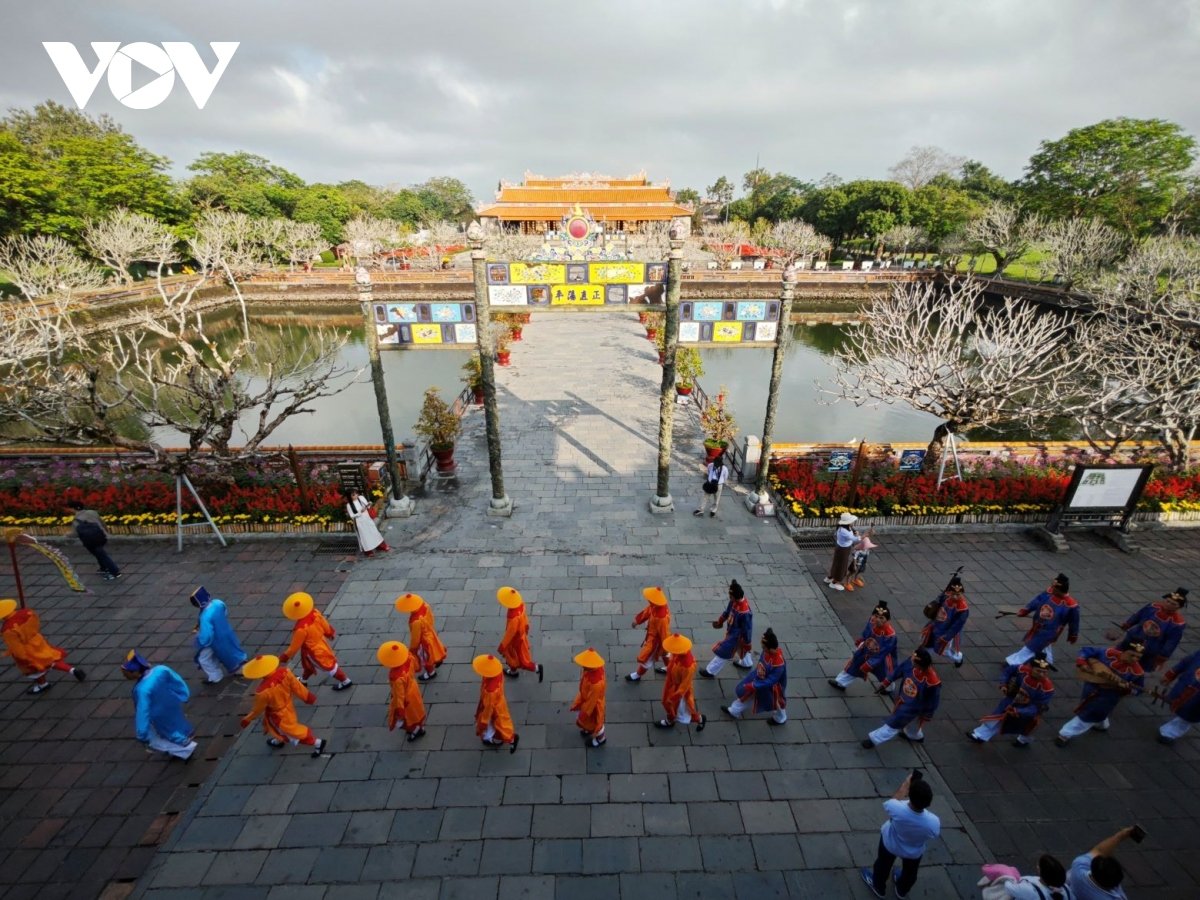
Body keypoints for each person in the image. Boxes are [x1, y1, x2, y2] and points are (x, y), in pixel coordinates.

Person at [861, 772, 940, 900]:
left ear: (909, 794)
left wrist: (906, 784)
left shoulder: (896, 808)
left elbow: (892, 801)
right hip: (914, 852)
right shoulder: (933, 822)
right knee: (910, 872)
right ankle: (901, 890)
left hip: (889, 844)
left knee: (882, 866)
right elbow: (934, 834)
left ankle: (878, 887)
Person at [1056, 643, 1145, 746]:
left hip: (1109, 695)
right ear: (1123, 651)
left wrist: (1128, 689)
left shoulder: (1137, 672)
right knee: (1094, 710)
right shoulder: (1108, 653)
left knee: (1089, 714)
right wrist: (1082, 663)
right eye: (1132, 655)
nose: (1134, 659)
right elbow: (1086, 650)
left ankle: (1065, 734)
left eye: (1138, 657)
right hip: (1092, 687)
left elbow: (1139, 690)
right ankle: (1101, 724)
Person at [240, 654, 327, 757]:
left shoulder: (262, 691)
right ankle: (278, 740)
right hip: (288, 705)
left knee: (292, 734)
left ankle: (317, 743)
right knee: (285, 729)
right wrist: (307, 697)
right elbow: (297, 686)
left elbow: (257, 709)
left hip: (278, 716)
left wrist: (248, 718)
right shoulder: (285, 672)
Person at [968, 652, 1056, 747]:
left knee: (1026, 727)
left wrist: (1019, 711)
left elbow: (1038, 706)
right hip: (1012, 700)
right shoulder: (1022, 670)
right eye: (1038, 671)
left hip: (1027, 709)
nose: (1041, 674)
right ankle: (980, 735)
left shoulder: (1047, 688)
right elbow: (1008, 671)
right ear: (1031, 668)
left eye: (1044, 672)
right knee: (998, 717)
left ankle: (1023, 741)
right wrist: (1003, 683)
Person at [121, 651, 196, 761]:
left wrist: (141, 734)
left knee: (162, 734)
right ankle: (184, 739)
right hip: (171, 703)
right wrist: (182, 694)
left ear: (135, 672)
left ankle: (185, 747)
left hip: (157, 714)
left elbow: (143, 711)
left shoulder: (142, 690)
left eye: (126, 672)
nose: (124, 675)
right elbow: (176, 680)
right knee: (176, 722)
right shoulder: (161, 669)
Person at [0, 598, 85, 694]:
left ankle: (43, 685)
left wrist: (22, 659)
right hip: (37, 641)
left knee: (35, 669)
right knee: (49, 659)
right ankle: (72, 670)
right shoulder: (27, 612)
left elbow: (16, 648)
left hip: (27, 649)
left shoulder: (7, 630)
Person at [862, 648, 941, 748]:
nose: (911, 662)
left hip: (914, 707)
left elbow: (933, 701)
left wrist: (927, 714)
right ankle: (914, 735)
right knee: (913, 724)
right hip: (904, 699)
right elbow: (899, 670)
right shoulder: (911, 662)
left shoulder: (932, 682)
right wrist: (886, 682)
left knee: (894, 723)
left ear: (921, 665)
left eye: (914, 662)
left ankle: (874, 739)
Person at [278, 592, 352, 691]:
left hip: (313, 651)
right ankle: (303, 680)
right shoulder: (315, 612)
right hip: (321, 642)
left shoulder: (300, 629)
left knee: (329, 666)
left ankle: (345, 681)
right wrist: (329, 633)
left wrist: (283, 657)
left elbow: (293, 648)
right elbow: (324, 624)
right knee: (308, 666)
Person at [1006, 574, 1080, 666]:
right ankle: (1047, 661)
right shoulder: (1049, 593)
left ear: (1058, 589)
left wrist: (1073, 634)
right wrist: (1026, 610)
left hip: (1050, 631)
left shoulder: (1071, 605)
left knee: (1031, 646)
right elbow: (1037, 600)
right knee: (1043, 645)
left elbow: (1074, 622)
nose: (1051, 589)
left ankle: (1012, 663)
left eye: (1054, 588)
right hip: (1037, 625)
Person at [722, 628, 787, 724]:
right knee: (748, 695)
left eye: (764, 647)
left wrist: (755, 685)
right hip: (759, 680)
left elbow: (771, 681)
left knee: (777, 703)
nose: (763, 649)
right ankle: (734, 710)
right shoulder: (767, 652)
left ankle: (781, 718)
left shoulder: (778, 663)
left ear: (771, 648)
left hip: (771, 688)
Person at [1114, 587, 1187, 672]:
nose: (1169, 604)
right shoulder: (1152, 607)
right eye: (1168, 601)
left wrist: (1162, 656)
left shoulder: (1177, 623)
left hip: (1150, 648)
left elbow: (1172, 642)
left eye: (1173, 604)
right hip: (1133, 637)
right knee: (1119, 655)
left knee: (1139, 667)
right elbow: (1138, 615)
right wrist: (1128, 624)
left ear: (1179, 607)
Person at [829, 602, 898, 691]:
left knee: (883, 674)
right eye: (876, 616)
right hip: (866, 650)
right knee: (854, 665)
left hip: (881, 658)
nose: (877, 619)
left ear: (887, 620)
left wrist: (870, 664)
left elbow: (883, 653)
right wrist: (862, 640)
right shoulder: (872, 621)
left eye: (881, 618)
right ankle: (841, 682)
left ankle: (888, 688)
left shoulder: (890, 635)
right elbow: (867, 632)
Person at [190, 586, 247, 685]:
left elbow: (206, 636)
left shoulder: (205, 616)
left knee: (203, 658)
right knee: (232, 650)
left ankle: (215, 676)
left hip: (215, 641)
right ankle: (240, 666)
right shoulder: (217, 603)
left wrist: (199, 639)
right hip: (226, 631)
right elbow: (225, 612)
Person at [700, 579, 753, 678]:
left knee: (723, 652)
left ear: (735, 597)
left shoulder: (745, 613)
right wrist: (720, 621)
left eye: (730, 596)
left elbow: (747, 629)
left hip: (736, 636)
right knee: (742, 650)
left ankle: (710, 671)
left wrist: (747, 642)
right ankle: (747, 663)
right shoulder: (734, 601)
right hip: (732, 632)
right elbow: (727, 612)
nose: (729, 597)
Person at [1067, 826, 1136, 899]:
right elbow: (1100, 851)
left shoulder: (1078, 867)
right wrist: (1121, 836)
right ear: (1114, 885)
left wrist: (1121, 835)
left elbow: (1099, 851)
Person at [378, 640, 426, 743]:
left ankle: (415, 730)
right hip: (413, 688)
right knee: (416, 711)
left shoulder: (396, 677)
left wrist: (400, 709)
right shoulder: (408, 656)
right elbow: (417, 667)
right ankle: (420, 727)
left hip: (406, 698)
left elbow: (399, 695)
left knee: (406, 718)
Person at [656, 633, 706, 731]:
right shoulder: (678, 654)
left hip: (679, 691)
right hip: (671, 684)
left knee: (681, 713)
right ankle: (670, 720)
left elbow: (685, 685)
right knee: (667, 703)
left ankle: (699, 719)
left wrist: (675, 697)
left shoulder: (688, 666)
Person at [920, 573, 970, 667]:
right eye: (953, 594)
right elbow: (939, 599)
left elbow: (957, 626)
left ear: (962, 594)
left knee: (943, 650)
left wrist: (946, 637)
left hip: (947, 631)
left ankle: (958, 658)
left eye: (958, 594)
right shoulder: (947, 596)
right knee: (927, 642)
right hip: (936, 624)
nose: (955, 597)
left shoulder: (963, 609)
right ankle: (924, 658)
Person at [395, 593, 448, 681]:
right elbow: (431, 619)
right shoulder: (425, 605)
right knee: (435, 648)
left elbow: (416, 637)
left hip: (424, 641)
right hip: (430, 632)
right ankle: (438, 659)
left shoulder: (415, 621)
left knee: (425, 657)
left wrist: (413, 648)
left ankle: (431, 673)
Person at [473, 653, 520, 753]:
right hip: (499, 703)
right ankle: (509, 739)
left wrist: (483, 722)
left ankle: (505, 740)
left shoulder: (490, 690)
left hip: (493, 709)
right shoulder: (497, 673)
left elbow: (488, 708)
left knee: (497, 727)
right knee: (502, 724)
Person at [496, 586, 544, 681]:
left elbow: (510, 633)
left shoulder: (513, 617)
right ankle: (512, 670)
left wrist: (502, 646)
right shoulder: (521, 605)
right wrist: (526, 628)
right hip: (520, 636)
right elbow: (525, 619)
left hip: (516, 641)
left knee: (522, 661)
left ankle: (536, 668)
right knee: (513, 657)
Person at [67, 500, 121, 580]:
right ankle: (103, 568)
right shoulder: (93, 512)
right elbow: (102, 523)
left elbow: (74, 534)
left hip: (90, 541)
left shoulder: (76, 521)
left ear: (73, 509)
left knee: (102, 555)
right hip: (101, 536)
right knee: (99, 553)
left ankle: (115, 572)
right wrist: (106, 532)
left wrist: (66, 535)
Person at [977, 854, 1072, 900]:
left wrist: (1008, 873)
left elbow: (1009, 887)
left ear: (1041, 872)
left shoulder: (1028, 890)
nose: (1037, 866)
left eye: (1039, 866)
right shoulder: (1066, 889)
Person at [626, 586, 671, 682]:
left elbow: (664, 634)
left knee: (647, 659)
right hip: (655, 637)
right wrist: (638, 621)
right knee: (665, 654)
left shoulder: (661, 618)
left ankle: (637, 675)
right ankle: (670, 668)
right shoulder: (657, 606)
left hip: (656, 641)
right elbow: (647, 611)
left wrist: (665, 647)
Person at [1157, 646, 1200, 744]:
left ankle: (1170, 733)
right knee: (1178, 702)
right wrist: (1172, 673)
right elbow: (1187, 661)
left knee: (1188, 716)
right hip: (1185, 686)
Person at [570, 647, 607, 747]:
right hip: (588, 699)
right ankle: (588, 729)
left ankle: (601, 739)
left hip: (593, 706)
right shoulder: (594, 669)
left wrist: (584, 713)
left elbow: (591, 703)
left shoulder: (596, 684)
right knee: (590, 721)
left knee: (597, 723)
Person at [345, 489, 389, 557]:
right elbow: (352, 516)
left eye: (356, 493)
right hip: (360, 522)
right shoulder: (349, 505)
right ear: (349, 497)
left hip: (367, 518)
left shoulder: (361, 498)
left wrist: (369, 504)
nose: (356, 495)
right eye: (353, 495)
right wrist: (360, 512)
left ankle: (381, 546)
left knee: (374, 532)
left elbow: (367, 506)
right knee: (365, 536)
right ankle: (368, 551)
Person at [823, 512, 858, 591]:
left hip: (840, 548)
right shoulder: (845, 531)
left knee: (836, 563)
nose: (853, 522)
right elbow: (855, 539)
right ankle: (835, 582)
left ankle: (830, 577)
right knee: (842, 566)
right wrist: (861, 535)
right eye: (852, 521)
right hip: (844, 550)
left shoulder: (842, 528)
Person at [694, 453, 729, 518]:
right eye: (714, 462)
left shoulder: (724, 469)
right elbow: (709, 472)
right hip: (710, 484)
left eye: (717, 463)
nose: (715, 464)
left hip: (718, 485)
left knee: (716, 499)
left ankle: (713, 510)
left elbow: (725, 477)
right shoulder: (710, 465)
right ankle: (701, 509)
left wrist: (720, 483)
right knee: (705, 497)